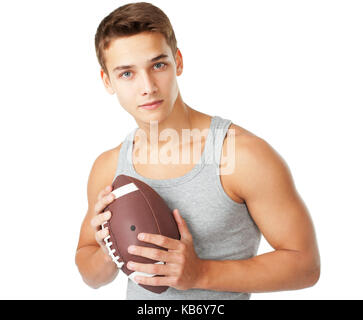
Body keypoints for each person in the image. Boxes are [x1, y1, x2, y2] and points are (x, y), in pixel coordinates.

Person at [75, 2, 320, 300]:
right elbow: (90, 275)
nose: (148, 86)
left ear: (178, 62)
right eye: (127, 73)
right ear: (107, 81)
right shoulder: (109, 166)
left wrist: (200, 273)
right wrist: (108, 250)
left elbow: (306, 265)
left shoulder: (241, 155)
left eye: (158, 65)